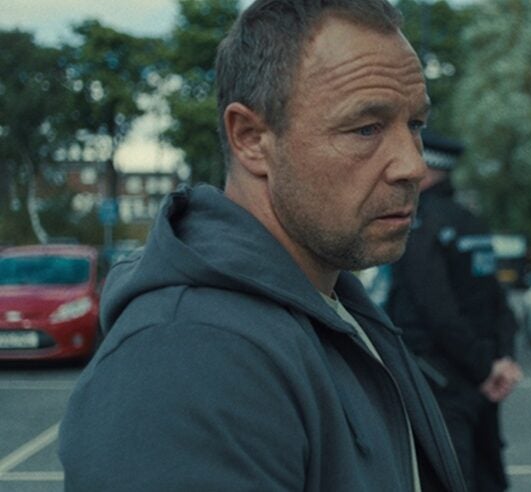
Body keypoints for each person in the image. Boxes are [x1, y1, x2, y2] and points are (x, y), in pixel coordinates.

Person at [58, 1, 468, 491]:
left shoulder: (331, 303)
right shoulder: (188, 357)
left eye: (415, 125)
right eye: (366, 128)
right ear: (251, 138)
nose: (413, 165)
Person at [385, 131, 523, 492]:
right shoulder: (471, 221)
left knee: (447, 477)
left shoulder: (420, 223)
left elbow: (438, 310)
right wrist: (501, 360)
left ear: (423, 167)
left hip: (441, 380)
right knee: (485, 475)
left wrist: (484, 368)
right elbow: (498, 302)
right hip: (480, 378)